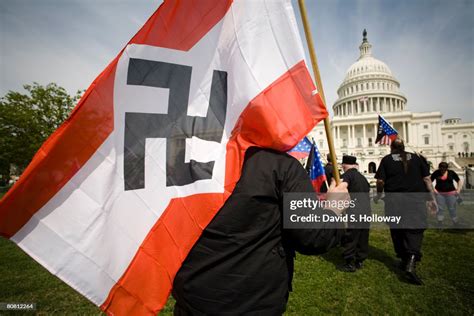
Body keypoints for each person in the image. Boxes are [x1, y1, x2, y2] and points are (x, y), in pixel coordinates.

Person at [172, 147, 350, 315]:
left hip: (192, 294)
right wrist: (333, 208)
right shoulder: (279, 164)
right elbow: (314, 236)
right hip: (248, 302)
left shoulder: (185, 161)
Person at [374, 138, 436, 285]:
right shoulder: (416, 158)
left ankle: (405, 259)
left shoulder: (387, 159)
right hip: (415, 200)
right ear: (403, 147)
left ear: (391, 148)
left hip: (394, 200)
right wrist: (432, 198)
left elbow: (380, 181)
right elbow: (427, 179)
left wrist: (378, 194)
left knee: (397, 229)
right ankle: (410, 261)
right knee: (415, 229)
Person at [339, 155, 371, 272]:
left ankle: (349, 262)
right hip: (366, 210)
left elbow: (343, 187)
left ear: (343, 165)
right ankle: (360, 260)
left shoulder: (347, 175)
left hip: (354, 210)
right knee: (363, 236)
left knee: (351, 236)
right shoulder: (362, 177)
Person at [431, 162, 463, 227]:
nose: (442, 170)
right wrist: (434, 189)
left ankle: (455, 223)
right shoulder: (436, 173)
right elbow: (429, 181)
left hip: (451, 194)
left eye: (444, 169)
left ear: (446, 168)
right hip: (439, 194)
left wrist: (458, 190)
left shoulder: (451, 173)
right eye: (441, 168)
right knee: (440, 208)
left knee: (452, 208)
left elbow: (459, 181)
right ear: (439, 168)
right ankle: (440, 223)